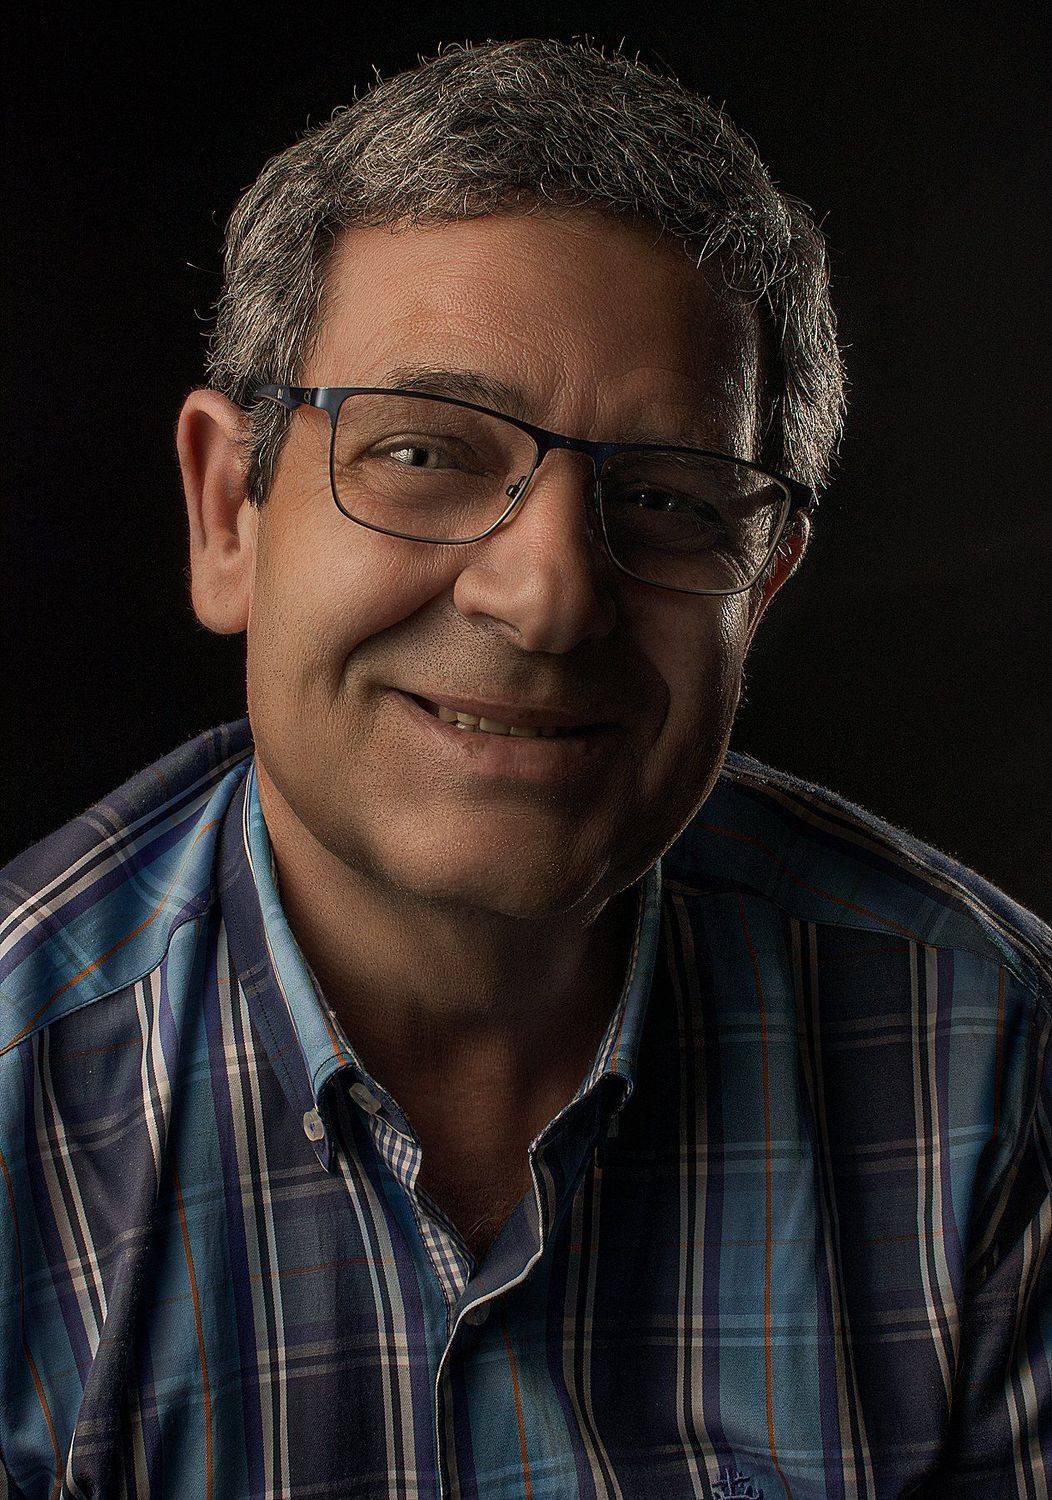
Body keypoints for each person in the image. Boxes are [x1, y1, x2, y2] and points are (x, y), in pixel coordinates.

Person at [1, 36, 1048, 1500]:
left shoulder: (992, 1068)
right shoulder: (21, 1108)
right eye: (426, 454)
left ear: (761, 589)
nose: (549, 597)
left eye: (669, 500)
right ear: (229, 510)